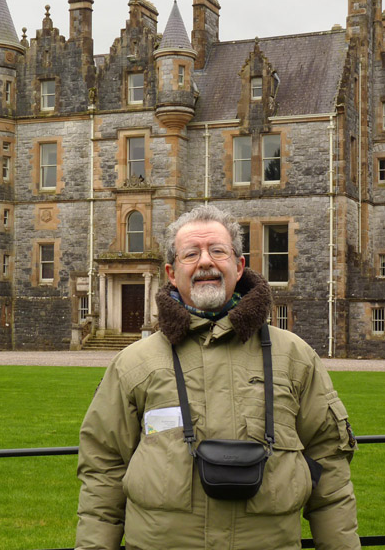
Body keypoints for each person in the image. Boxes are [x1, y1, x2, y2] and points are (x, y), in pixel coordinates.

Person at [75, 205, 360, 550]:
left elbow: (329, 464)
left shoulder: (294, 356)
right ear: (171, 272)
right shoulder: (134, 363)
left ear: (239, 267)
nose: (205, 262)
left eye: (218, 251)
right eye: (191, 254)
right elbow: (103, 469)